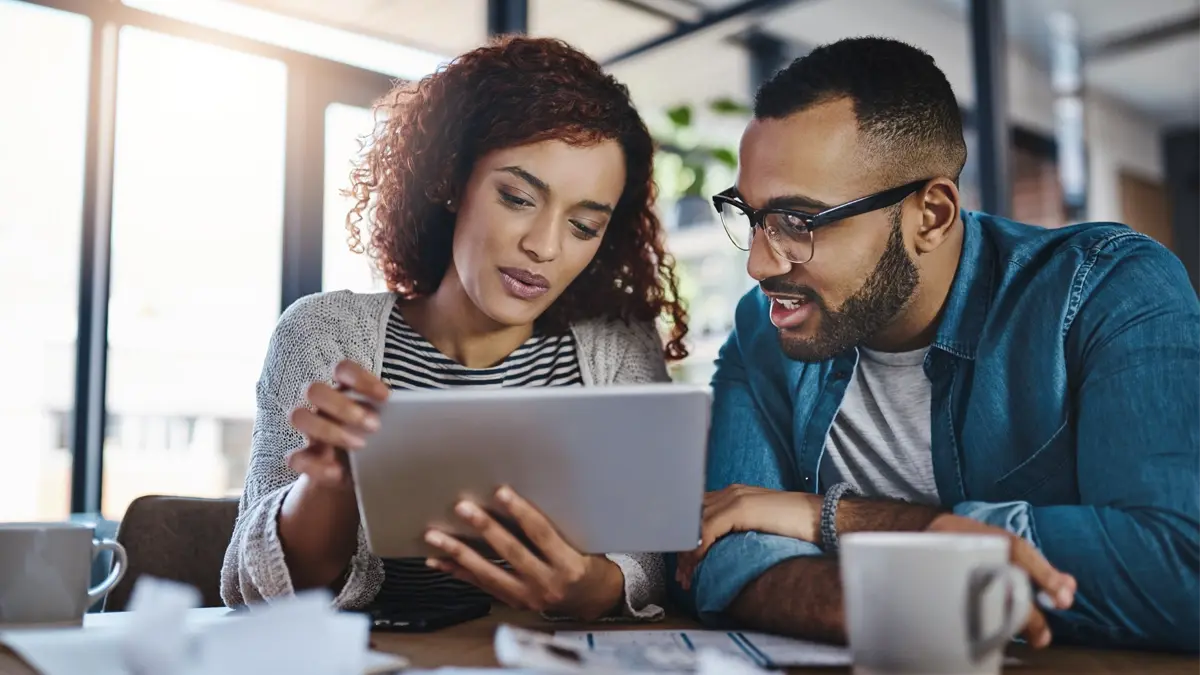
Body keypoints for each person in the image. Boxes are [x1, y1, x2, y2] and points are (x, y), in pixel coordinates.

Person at [672, 36, 1200, 652]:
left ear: (932, 215)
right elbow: (725, 553)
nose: (760, 264)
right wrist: (921, 593)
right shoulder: (767, 327)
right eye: (753, 215)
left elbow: (1177, 569)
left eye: (800, 221)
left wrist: (837, 520)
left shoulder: (1108, 288)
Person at [220, 35, 689, 622]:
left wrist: (593, 588)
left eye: (584, 226)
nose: (543, 246)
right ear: (450, 179)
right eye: (517, 197)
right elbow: (253, 586)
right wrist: (331, 490)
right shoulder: (326, 334)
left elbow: (650, 561)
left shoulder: (618, 349)